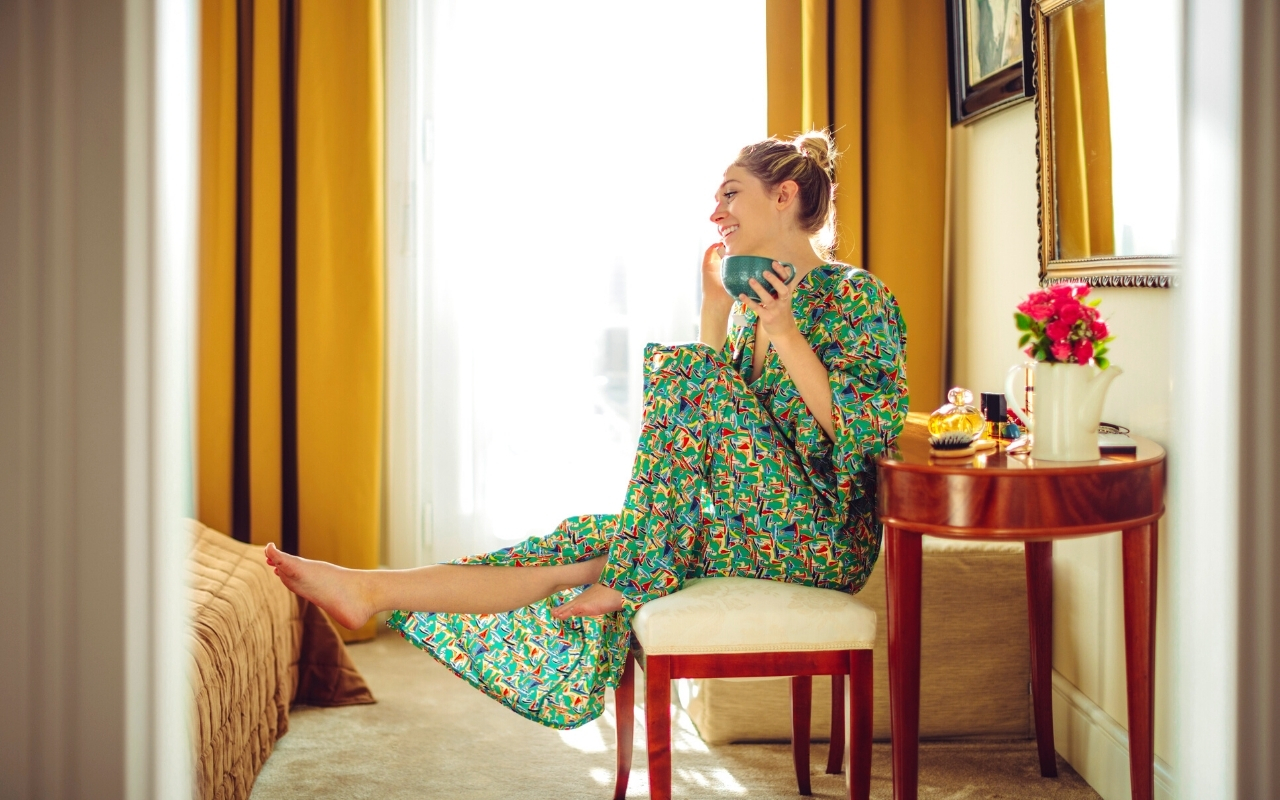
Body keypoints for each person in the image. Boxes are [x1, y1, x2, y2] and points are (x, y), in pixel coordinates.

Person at [264, 130, 909, 730]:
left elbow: (866, 431)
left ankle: (630, 572)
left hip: (825, 540)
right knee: (580, 543)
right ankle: (370, 589)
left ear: (784, 195)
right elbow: (714, 433)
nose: (716, 213)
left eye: (730, 194)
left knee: (679, 393)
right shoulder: (749, 310)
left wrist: (785, 332)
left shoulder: (857, 296)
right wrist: (716, 309)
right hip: (754, 527)